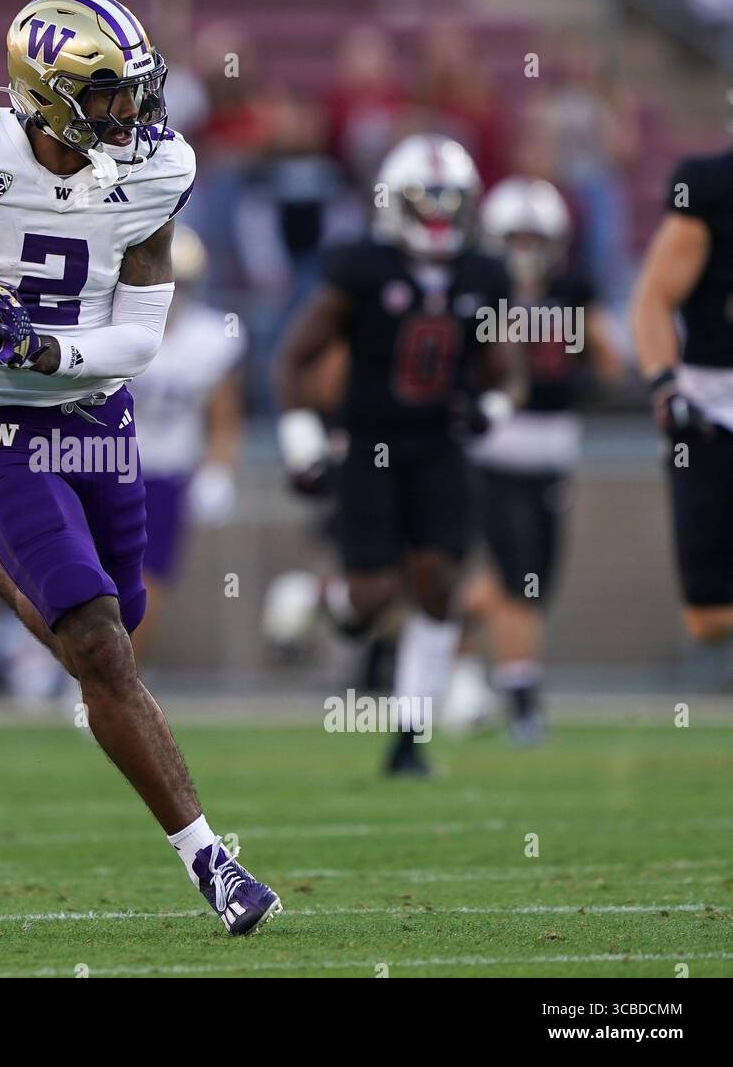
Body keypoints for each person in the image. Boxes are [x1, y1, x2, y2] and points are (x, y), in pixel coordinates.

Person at [0, 0, 280, 935]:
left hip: (98, 413)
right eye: (108, 96)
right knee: (96, 645)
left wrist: (47, 352)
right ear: (45, 97)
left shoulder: (155, 170)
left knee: (112, 629)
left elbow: (141, 336)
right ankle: (213, 862)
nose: (134, 116)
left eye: (137, 92)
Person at [274, 134, 521, 776]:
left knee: (439, 583)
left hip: (440, 445)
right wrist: (302, 436)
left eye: (451, 202)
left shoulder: (484, 274)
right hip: (371, 443)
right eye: (426, 202)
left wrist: (491, 408)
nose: (439, 217)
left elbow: (505, 370)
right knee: (374, 594)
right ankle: (322, 601)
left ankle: (409, 738)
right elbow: (295, 357)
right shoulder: (362, 268)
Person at [449, 176, 622, 743]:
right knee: (516, 580)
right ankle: (522, 701)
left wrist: (581, 369)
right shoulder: (476, 289)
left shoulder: (572, 289)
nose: (524, 249)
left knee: (529, 585)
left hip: (551, 454)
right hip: (493, 452)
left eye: (534, 237)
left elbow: (610, 365)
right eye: (514, 237)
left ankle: (451, 636)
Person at [630, 115, 733, 645]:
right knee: (708, 616)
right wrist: (664, 384)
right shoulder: (710, 187)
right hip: (712, 407)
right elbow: (653, 298)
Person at [128, 226, 245, 658]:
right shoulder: (111, 323)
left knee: (146, 586)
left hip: (166, 474)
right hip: (102, 464)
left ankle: (118, 684)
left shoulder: (211, 339)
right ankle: (77, 673)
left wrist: (217, 470)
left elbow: (224, 418)